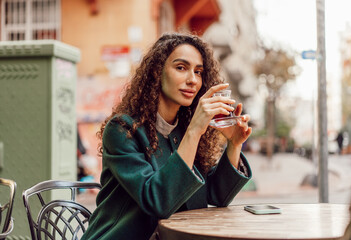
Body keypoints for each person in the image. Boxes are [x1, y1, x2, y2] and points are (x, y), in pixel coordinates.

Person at [81, 32, 252, 240]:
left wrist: (234, 144)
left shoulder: (184, 131)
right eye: (181, 68)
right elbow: (158, 201)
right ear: (156, 72)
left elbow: (215, 195)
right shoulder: (122, 130)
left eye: (198, 72)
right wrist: (195, 131)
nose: (192, 80)